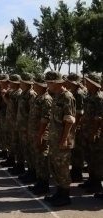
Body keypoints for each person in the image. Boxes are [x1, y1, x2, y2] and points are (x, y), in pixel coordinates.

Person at [44, 71, 76, 207]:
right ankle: (59, 192)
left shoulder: (67, 97)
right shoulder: (56, 96)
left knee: (62, 167)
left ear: (55, 83)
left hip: (62, 139)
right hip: (54, 138)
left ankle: (65, 196)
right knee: (54, 165)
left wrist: (64, 139)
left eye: (49, 82)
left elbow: (69, 120)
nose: (47, 85)